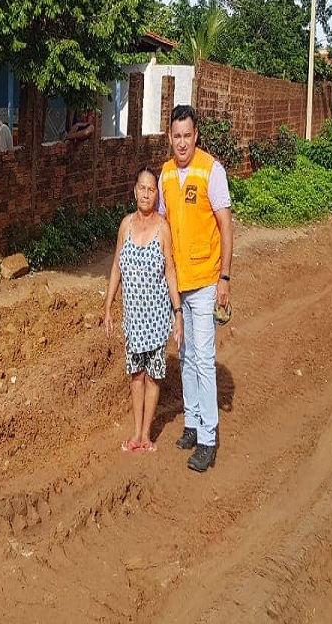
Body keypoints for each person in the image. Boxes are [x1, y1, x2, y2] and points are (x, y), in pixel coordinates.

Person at [158, 104, 233, 473]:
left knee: (203, 359)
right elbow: (162, 225)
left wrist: (225, 278)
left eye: (188, 135)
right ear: (169, 137)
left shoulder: (211, 170)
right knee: (186, 356)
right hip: (179, 284)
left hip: (205, 281)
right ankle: (192, 421)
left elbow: (226, 225)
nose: (182, 142)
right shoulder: (165, 174)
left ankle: (207, 438)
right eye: (177, 136)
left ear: (196, 135)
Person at [104, 167, 183, 453]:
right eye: (142, 188)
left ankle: (146, 435)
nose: (146, 194)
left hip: (157, 319)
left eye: (151, 189)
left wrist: (178, 313)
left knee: (152, 376)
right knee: (136, 376)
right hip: (133, 320)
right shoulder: (125, 225)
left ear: (156, 194)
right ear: (134, 190)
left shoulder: (163, 229)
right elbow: (116, 266)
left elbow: (170, 271)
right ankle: (135, 433)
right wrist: (108, 307)